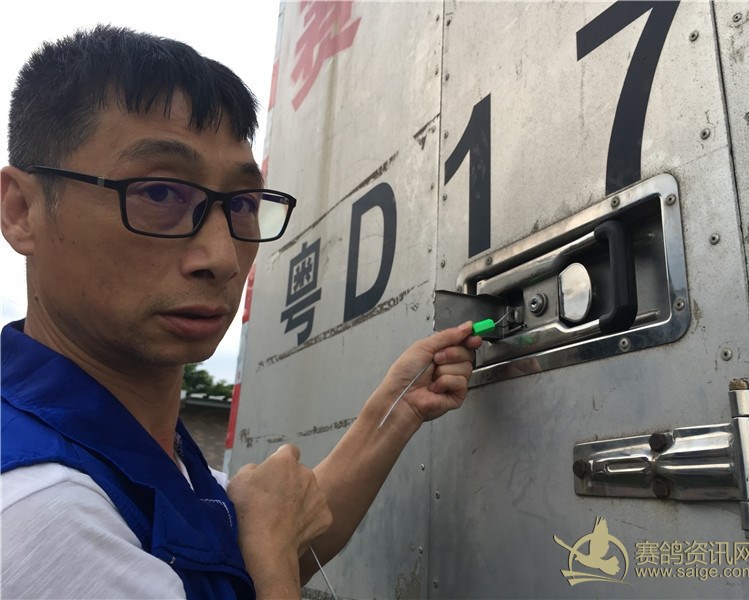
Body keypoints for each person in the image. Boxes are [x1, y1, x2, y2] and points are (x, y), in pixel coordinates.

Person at [0, 26, 482, 599]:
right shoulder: (44, 514)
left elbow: (243, 558)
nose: (223, 258)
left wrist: (398, 409)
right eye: (160, 193)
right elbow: (267, 555)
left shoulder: (127, 451)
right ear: (22, 210)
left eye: (244, 204)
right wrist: (273, 552)